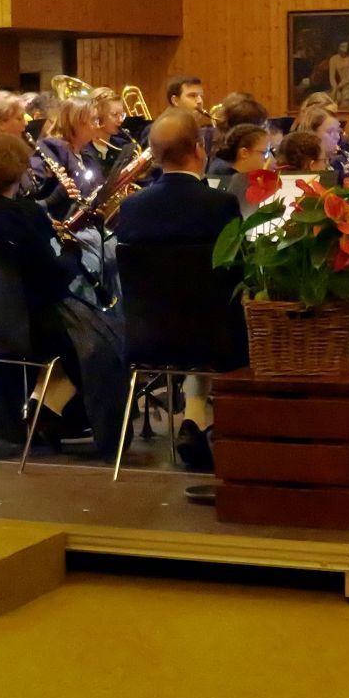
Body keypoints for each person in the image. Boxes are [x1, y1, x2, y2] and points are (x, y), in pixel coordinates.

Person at [0, 131, 126, 455]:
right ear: (16, 169)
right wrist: (70, 253)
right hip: (33, 327)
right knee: (108, 339)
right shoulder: (24, 214)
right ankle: (60, 413)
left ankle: (45, 409)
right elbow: (53, 277)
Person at [113, 110, 246, 465]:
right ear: (199, 149)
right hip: (215, 337)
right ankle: (207, 423)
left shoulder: (131, 207)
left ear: (154, 155)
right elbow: (236, 269)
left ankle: (195, 419)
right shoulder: (220, 203)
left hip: (147, 337)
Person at [85, 89, 138, 184]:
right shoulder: (82, 150)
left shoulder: (123, 146)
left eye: (122, 115)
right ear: (98, 117)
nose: (121, 120)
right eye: (115, 115)